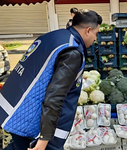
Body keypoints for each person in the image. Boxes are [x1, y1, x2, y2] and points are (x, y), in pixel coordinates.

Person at [0, 9, 102, 150]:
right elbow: (55, 97)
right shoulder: (72, 52)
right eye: (96, 34)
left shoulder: (54, 36)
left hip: (13, 108)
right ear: (88, 30)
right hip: (28, 119)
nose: (95, 39)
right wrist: (44, 140)